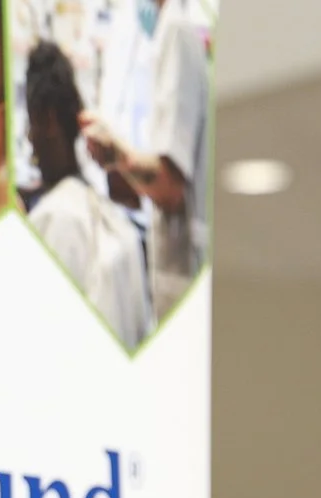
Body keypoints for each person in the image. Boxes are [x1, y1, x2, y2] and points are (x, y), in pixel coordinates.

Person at [20, 38, 152, 347]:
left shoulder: (55, 220)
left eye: (31, 123)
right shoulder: (114, 222)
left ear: (48, 119)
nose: (29, 138)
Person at [81, 0, 208, 322]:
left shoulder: (176, 32)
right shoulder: (166, 33)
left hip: (183, 271)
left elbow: (169, 186)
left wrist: (117, 153)